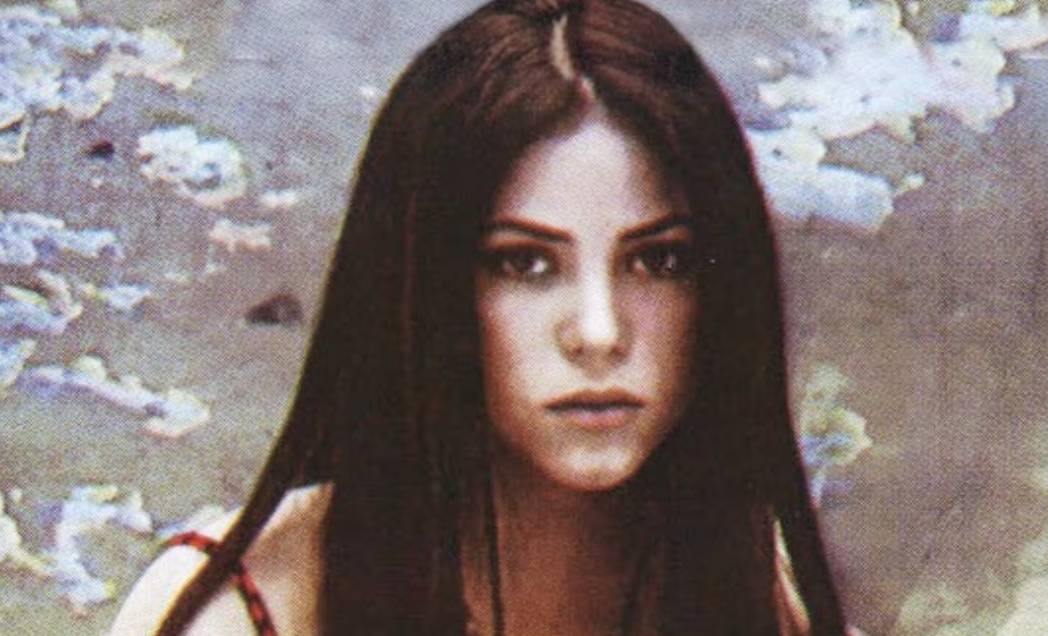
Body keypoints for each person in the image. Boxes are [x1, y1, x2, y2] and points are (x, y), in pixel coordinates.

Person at [112, 0, 846, 633]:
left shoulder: (768, 607)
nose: (599, 333)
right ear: (425, 284)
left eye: (659, 261)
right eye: (523, 263)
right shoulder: (231, 612)